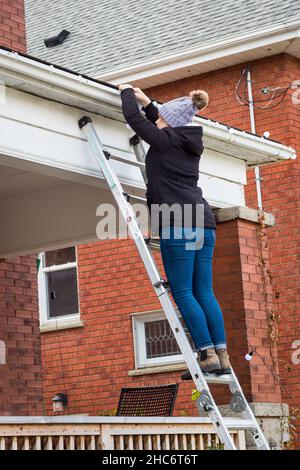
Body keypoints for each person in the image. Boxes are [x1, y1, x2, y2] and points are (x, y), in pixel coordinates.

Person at [119, 84, 231, 377]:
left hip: (178, 221)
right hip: (202, 222)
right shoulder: (188, 142)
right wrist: (148, 101)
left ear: (167, 123)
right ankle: (220, 354)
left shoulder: (165, 139)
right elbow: (162, 119)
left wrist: (127, 91)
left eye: (160, 119)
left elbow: (135, 119)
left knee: (182, 291)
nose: (156, 122)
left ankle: (205, 354)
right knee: (203, 290)